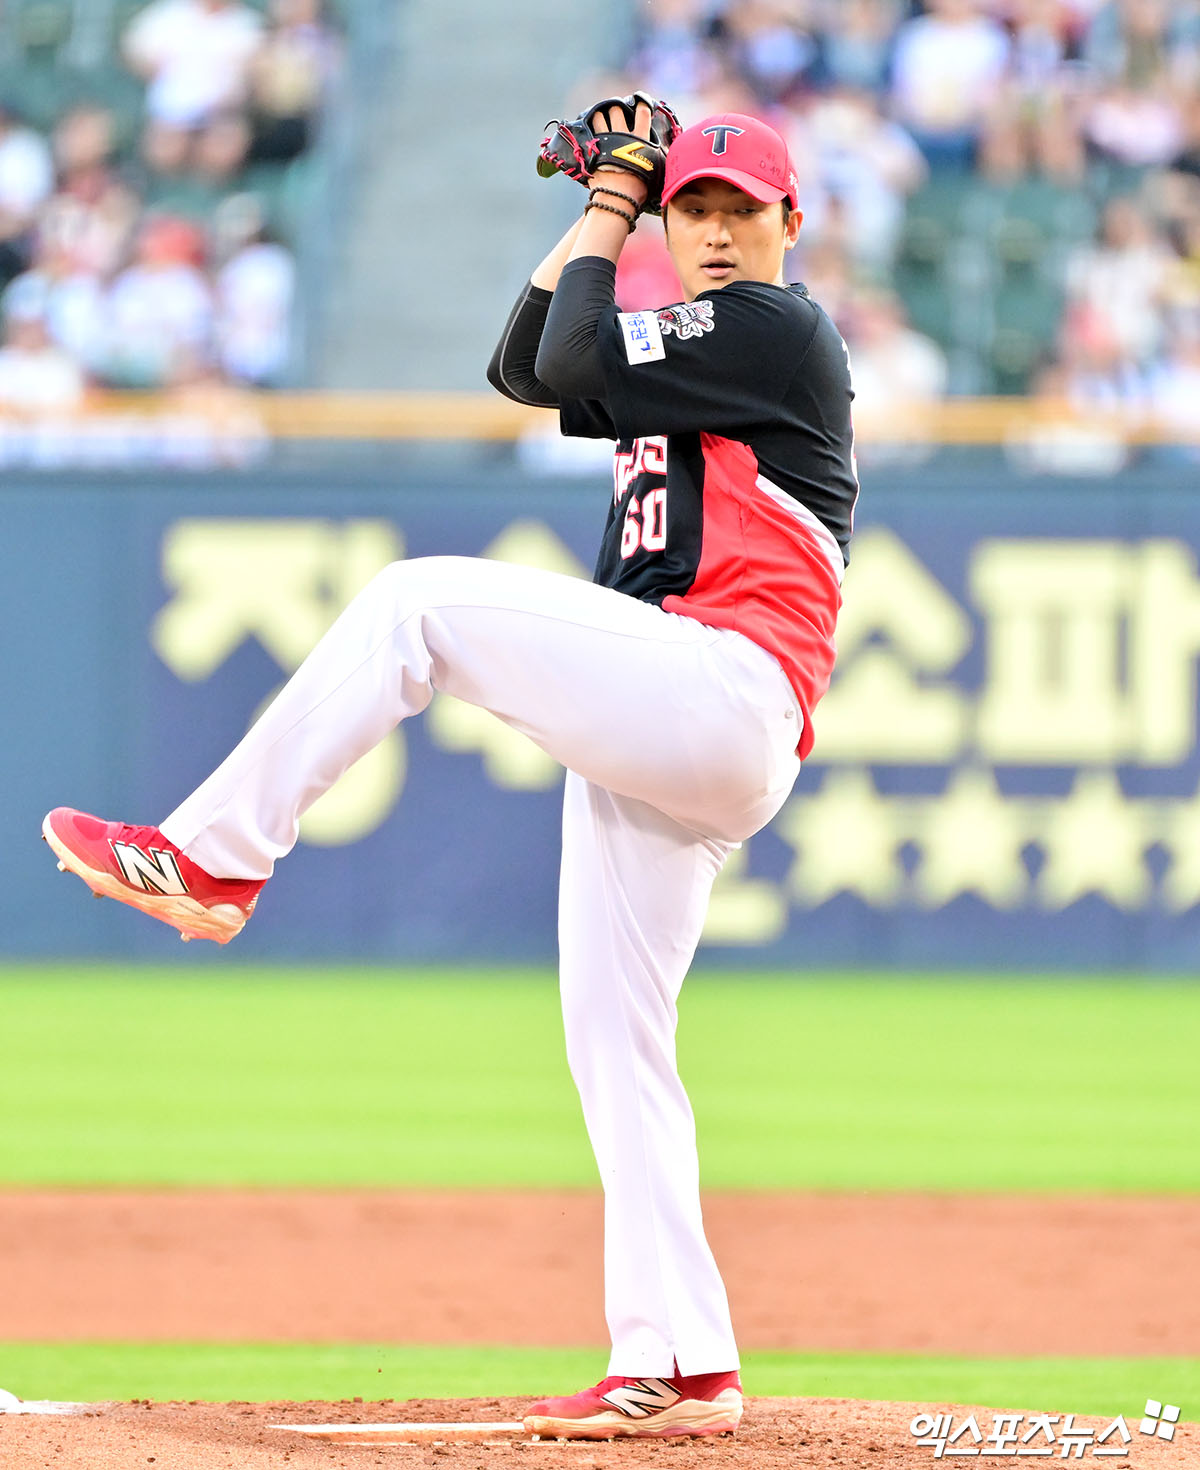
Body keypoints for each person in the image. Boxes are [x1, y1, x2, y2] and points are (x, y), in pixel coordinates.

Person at [42, 99, 858, 1440]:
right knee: (617, 1044)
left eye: (740, 211)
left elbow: (572, 348)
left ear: (790, 222)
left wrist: (617, 201)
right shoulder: (693, 354)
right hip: (678, 716)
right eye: (695, 210)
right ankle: (679, 1360)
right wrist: (600, 202)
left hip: (723, 682)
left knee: (414, 602)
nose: (716, 232)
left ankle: (214, 857)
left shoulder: (774, 328)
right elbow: (523, 367)